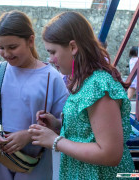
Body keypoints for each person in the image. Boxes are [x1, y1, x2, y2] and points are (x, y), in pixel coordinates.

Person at [29, 11, 135, 179]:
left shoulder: (98, 86)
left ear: (73, 47)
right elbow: (89, 130)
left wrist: (56, 141)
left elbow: (110, 154)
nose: (50, 59)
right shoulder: (85, 81)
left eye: (52, 52)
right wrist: (58, 125)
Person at [0, 10, 68, 180]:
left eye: (12, 47)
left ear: (30, 41)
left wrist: (28, 135)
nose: (6, 53)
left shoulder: (51, 77)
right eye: (1, 48)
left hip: (35, 160)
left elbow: (64, 124)